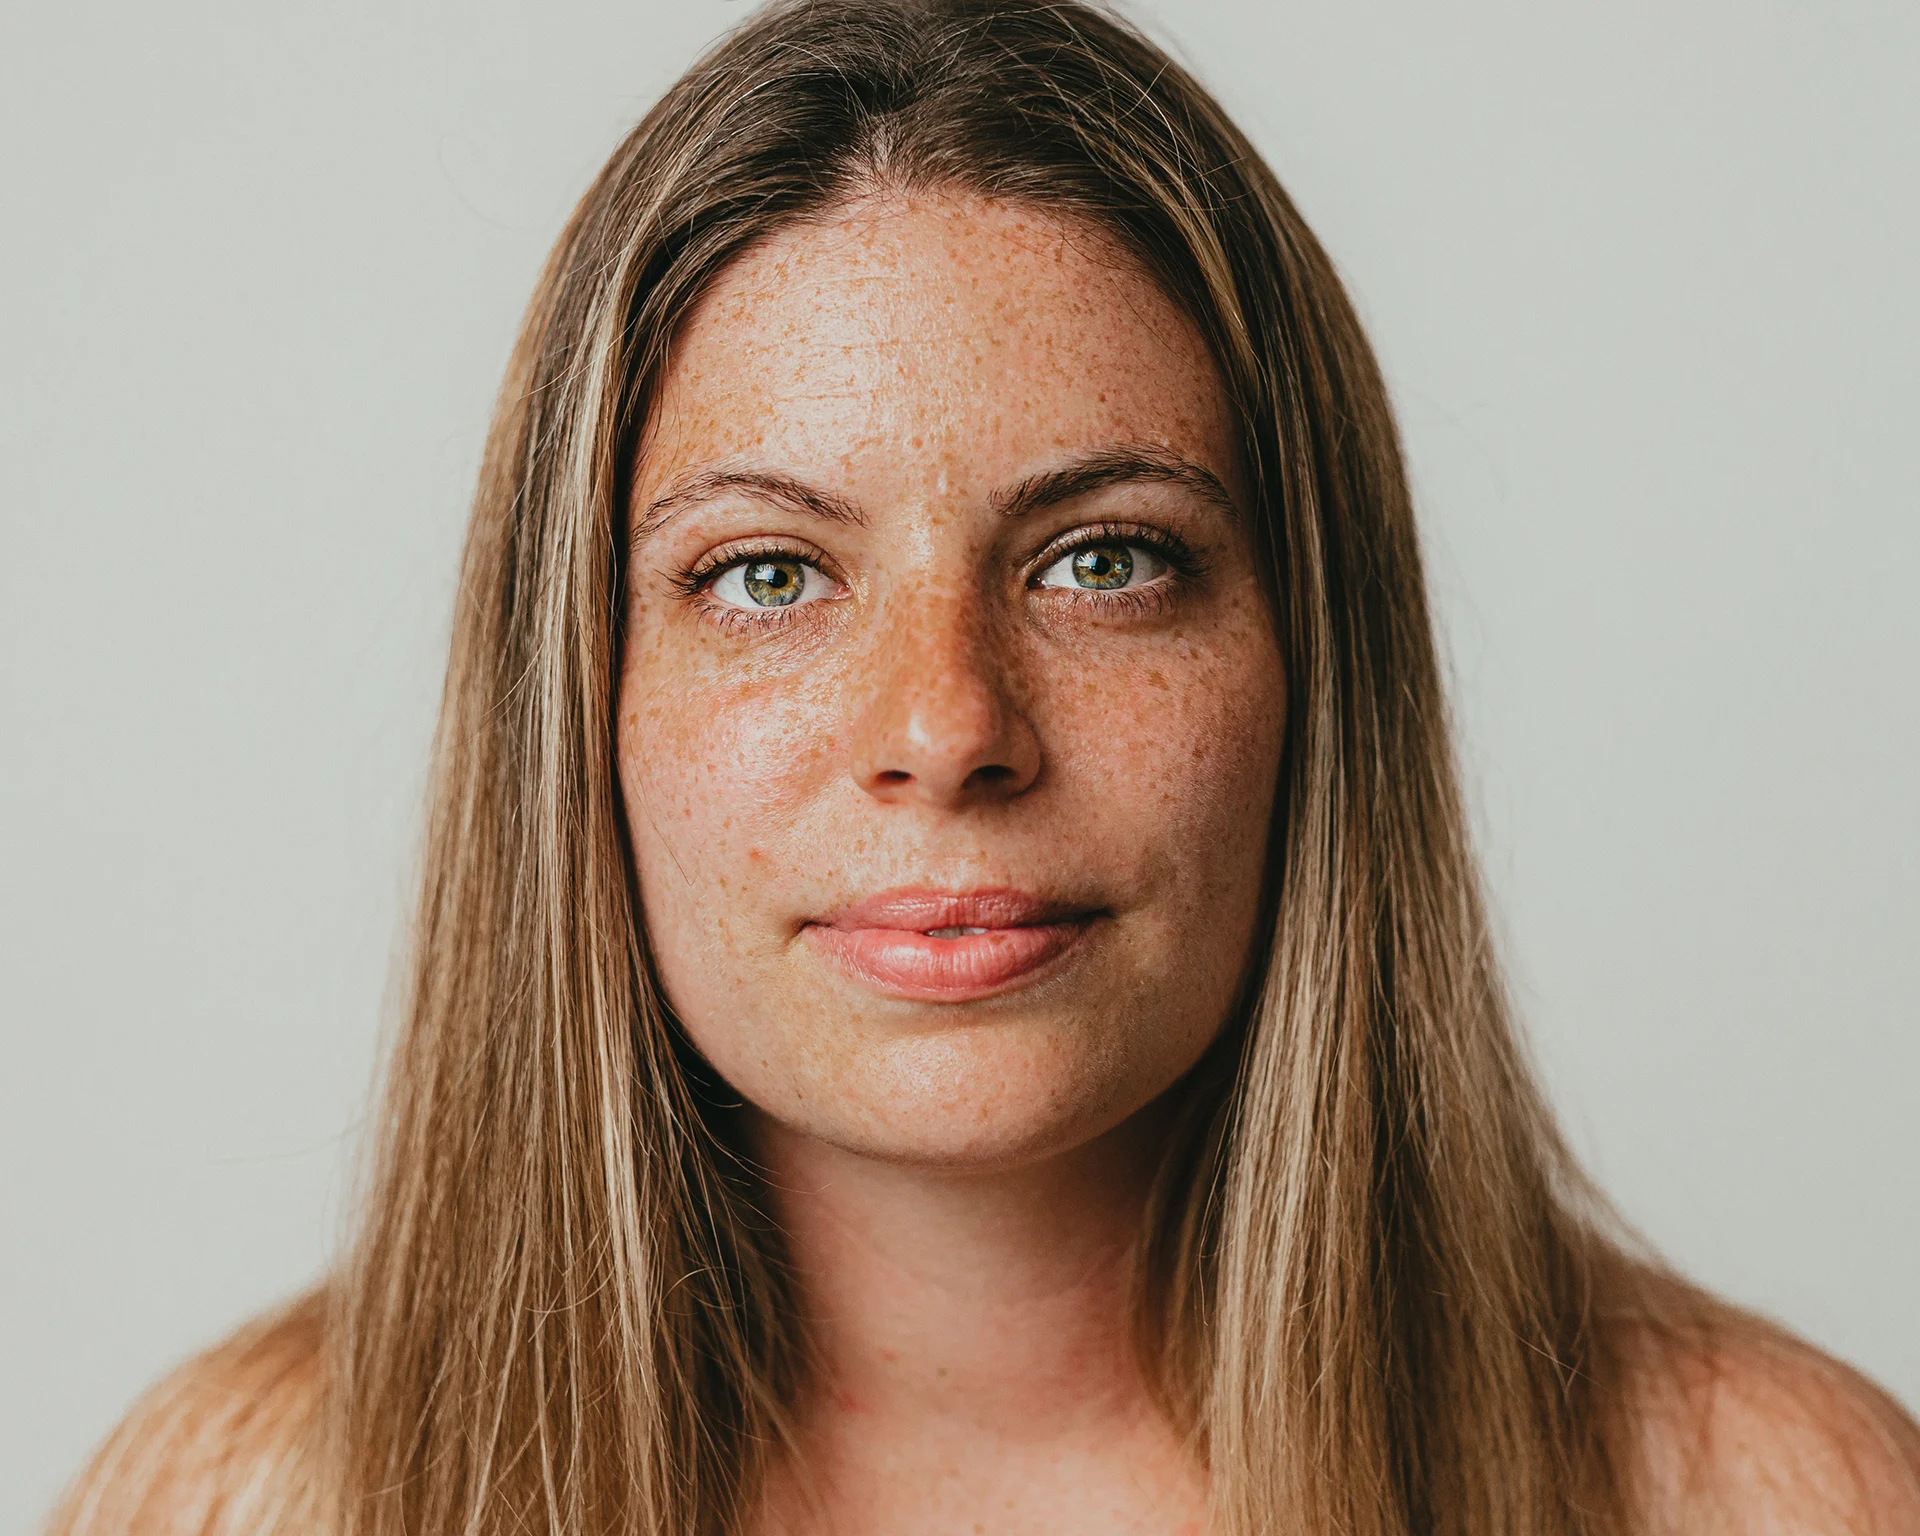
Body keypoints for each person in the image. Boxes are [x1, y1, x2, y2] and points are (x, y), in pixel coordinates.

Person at [48, 1, 1920, 1532]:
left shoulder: (1763, 1499)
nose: (947, 728)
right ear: (581, 700)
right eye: (767, 574)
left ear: (1307, 663)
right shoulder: (256, 1500)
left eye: (1104, 558)